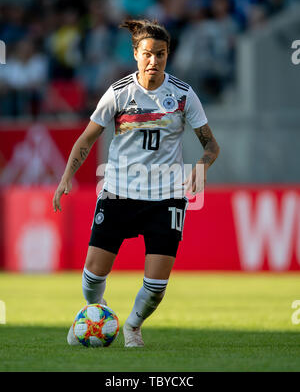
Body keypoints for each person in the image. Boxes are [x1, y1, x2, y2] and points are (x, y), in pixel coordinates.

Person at [52, 19, 220, 347]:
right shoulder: (118, 93)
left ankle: (132, 326)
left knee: (157, 286)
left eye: (160, 54)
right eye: (147, 54)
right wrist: (65, 178)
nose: (153, 61)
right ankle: (93, 313)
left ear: (168, 55)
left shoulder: (184, 96)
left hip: (167, 196)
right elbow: (86, 140)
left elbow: (211, 146)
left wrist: (201, 166)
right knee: (93, 277)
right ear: (135, 54)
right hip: (118, 193)